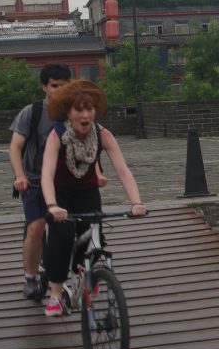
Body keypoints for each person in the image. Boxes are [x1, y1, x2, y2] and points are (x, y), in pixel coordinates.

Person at [40, 80, 147, 318]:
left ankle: (86, 272)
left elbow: (122, 170)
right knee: (62, 236)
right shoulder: (57, 135)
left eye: (89, 109)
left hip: (87, 193)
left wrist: (136, 202)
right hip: (59, 194)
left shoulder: (102, 134)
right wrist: (52, 205)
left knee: (95, 238)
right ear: (69, 112)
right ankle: (55, 294)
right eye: (79, 110)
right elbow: (46, 173)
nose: (85, 115)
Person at [8, 63, 72, 299]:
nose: (60, 90)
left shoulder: (75, 110)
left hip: (64, 179)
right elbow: (15, 147)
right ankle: (31, 277)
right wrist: (20, 175)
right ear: (45, 87)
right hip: (34, 179)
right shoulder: (32, 112)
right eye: (55, 86)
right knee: (35, 228)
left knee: (70, 226)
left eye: (65, 86)